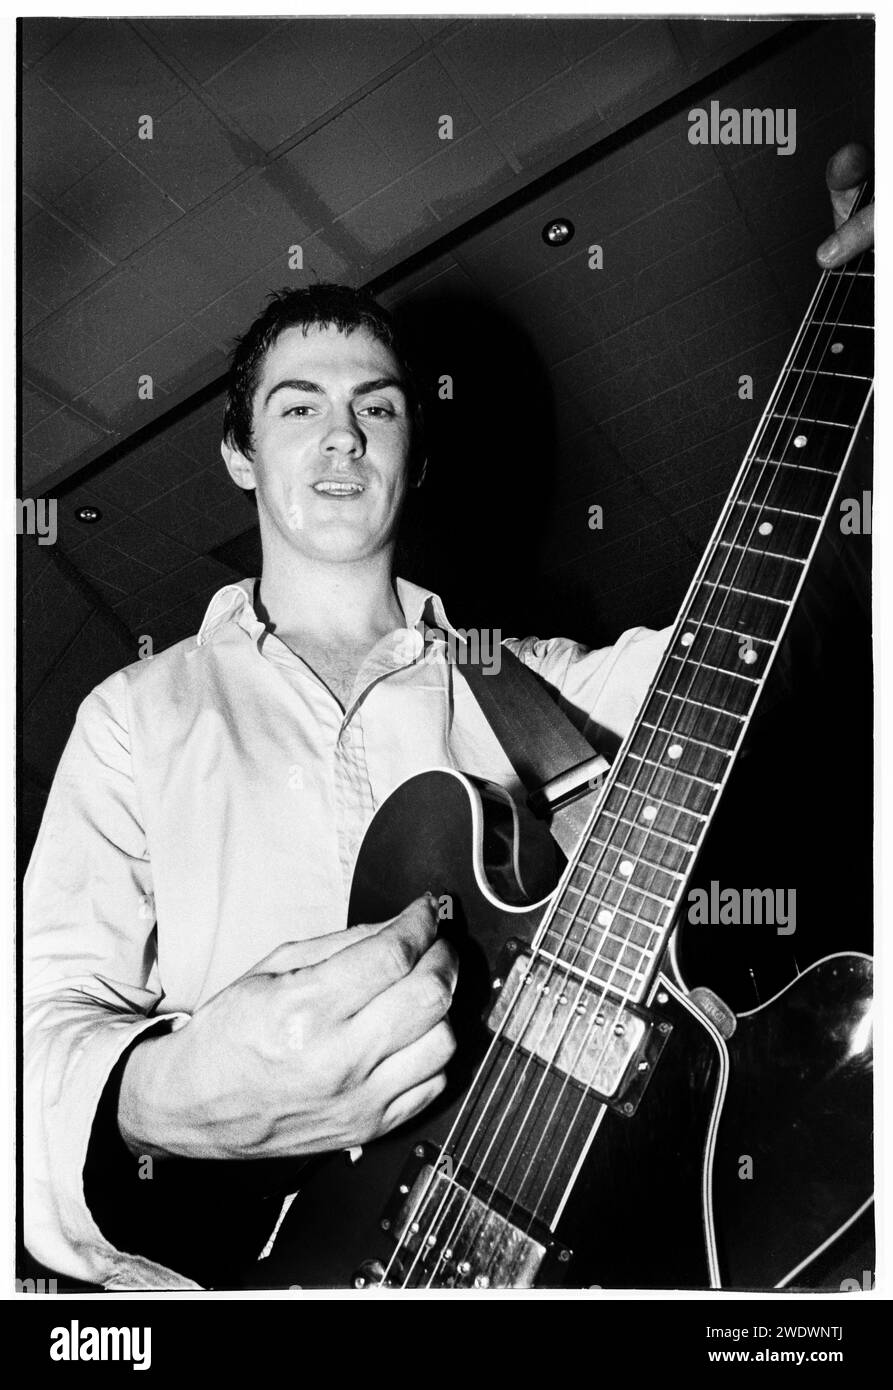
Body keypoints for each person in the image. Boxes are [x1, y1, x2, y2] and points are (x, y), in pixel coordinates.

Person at [23, 144, 874, 1291]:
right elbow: (31, 1048)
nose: (342, 436)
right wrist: (161, 1100)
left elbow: (761, 641)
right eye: (298, 406)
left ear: (411, 455)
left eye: (377, 407)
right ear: (237, 452)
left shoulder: (527, 683)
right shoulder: (133, 713)